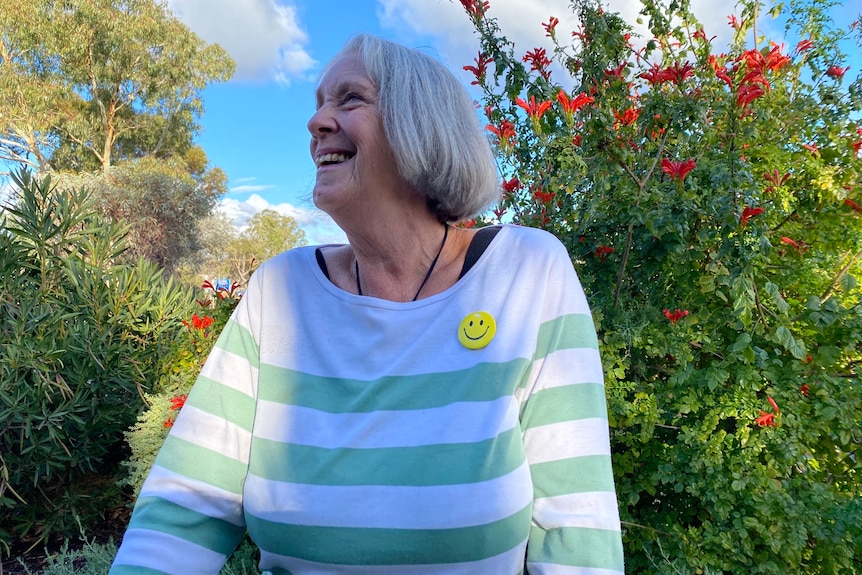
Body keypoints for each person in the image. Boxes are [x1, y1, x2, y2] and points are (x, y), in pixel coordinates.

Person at [110, 33, 625, 575]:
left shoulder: (525, 270)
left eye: (349, 99)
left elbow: (576, 521)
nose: (316, 123)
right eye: (317, 105)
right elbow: (186, 504)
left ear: (420, 127)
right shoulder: (280, 290)